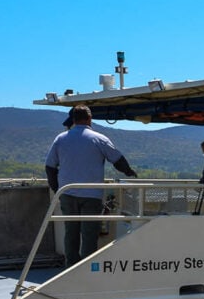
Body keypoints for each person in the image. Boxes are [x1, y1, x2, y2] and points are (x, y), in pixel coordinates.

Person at [45, 105, 137, 266]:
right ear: (89, 119)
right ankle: (86, 269)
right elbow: (117, 160)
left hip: (67, 193)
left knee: (70, 233)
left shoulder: (60, 139)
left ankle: (70, 269)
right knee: (89, 234)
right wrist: (129, 172)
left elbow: (50, 167)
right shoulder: (98, 138)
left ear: (73, 119)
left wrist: (57, 189)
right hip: (91, 195)